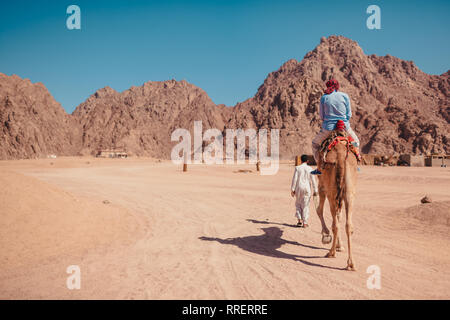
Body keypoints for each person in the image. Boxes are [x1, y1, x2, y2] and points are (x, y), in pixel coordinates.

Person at [311, 79, 360, 175]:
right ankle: (356, 164)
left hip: (328, 128)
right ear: (337, 86)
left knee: (315, 144)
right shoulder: (344, 96)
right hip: (344, 127)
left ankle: (319, 167)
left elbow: (322, 116)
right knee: (356, 143)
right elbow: (349, 114)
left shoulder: (324, 97)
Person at [290, 154, 318, 228]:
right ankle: (305, 223)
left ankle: (299, 220)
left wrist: (292, 189)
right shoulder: (310, 169)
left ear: (301, 160)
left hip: (298, 188)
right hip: (307, 189)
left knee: (298, 204)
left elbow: (294, 179)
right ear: (307, 161)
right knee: (305, 205)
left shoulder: (297, 168)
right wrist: (315, 190)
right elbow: (313, 180)